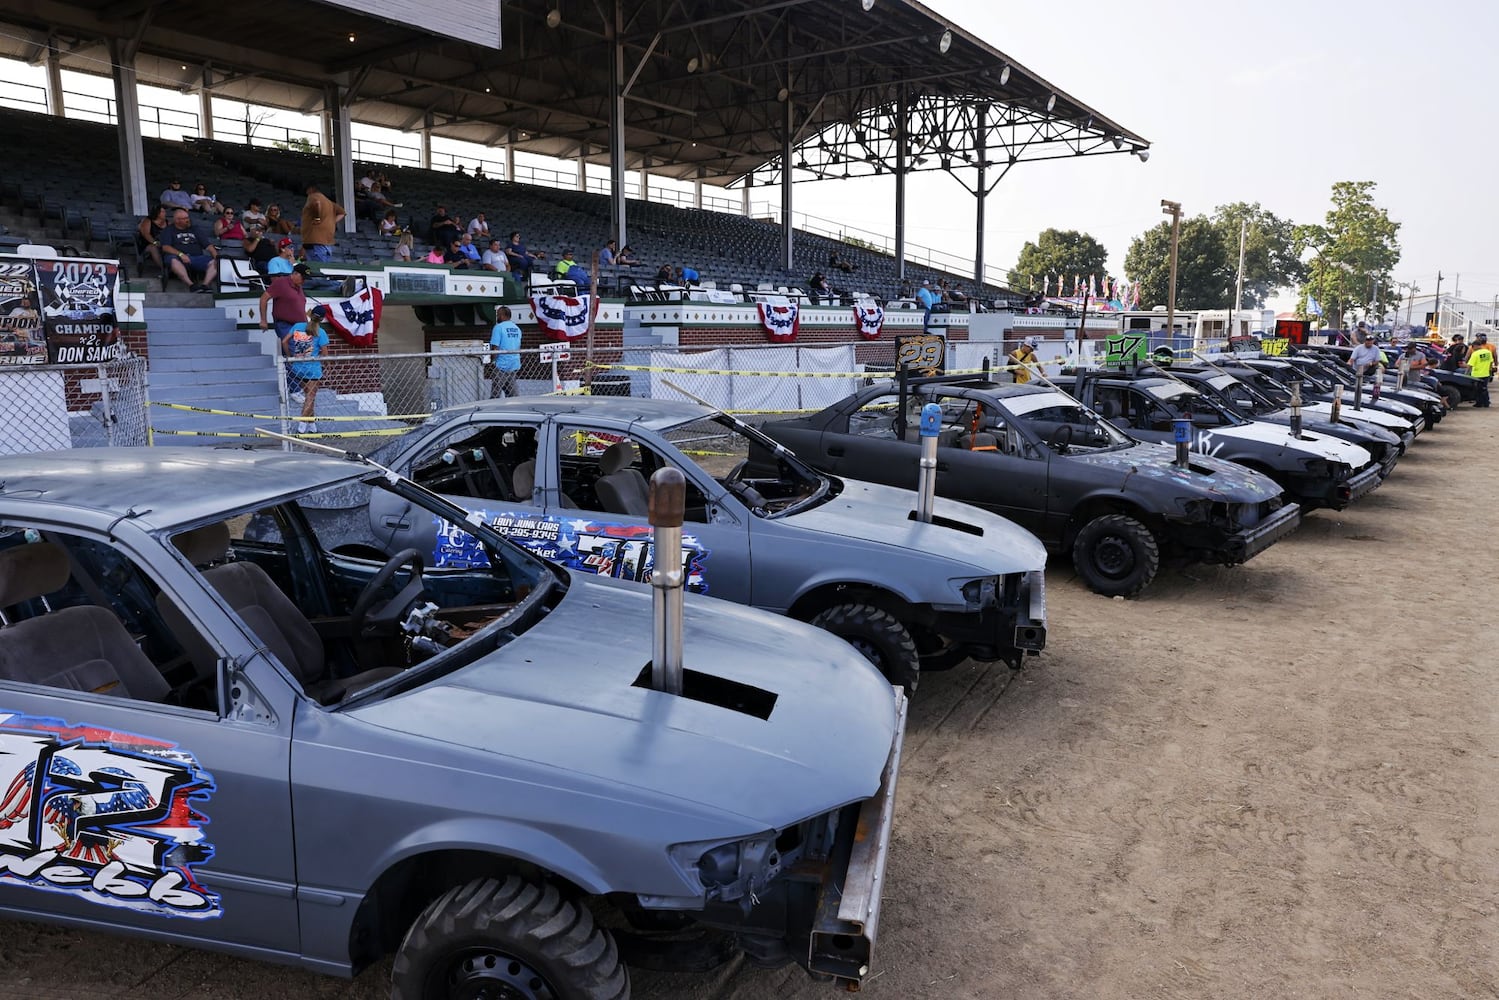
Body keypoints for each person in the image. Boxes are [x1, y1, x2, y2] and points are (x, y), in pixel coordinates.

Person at [282, 307, 330, 432]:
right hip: (313, 369)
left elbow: (284, 341)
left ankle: (312, 427)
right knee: (310, 397)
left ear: (309, 314)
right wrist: (326, 364)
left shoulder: (298, 326)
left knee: (310, 396)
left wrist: (290, 356)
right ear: (322, 319)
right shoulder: (321, 332)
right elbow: (325, 354)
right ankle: (301, 428)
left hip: (298, 367)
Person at [162, 209, 218, 293]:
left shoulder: (195, 229)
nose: (188, 220)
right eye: (185, 218)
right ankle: (192, 285)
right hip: (178, 258)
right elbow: (165, 247)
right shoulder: (169, 230)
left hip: (197, 258)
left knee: (216, 262)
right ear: (177, 220)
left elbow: (208, 246)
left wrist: (216, 257)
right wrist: (180, 254)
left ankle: (205, 285)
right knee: (173, 260)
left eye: (188, 217)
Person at [258, 262, 310, 340]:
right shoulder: (281, 283)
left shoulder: (298, 286)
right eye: (303, 278)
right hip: (285, 324)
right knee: (292, 348)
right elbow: (263, 298)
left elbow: (300, 308)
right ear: (295, 273)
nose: (304, 281)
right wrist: (263, 320)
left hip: (300, 326)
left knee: (302, 350)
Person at [300, 183, 345, 263]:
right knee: (324, 270)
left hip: (315, 241)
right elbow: (342, 213)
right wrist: (332, 221)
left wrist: (317, 217)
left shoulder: (313, 196)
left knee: (317, 271)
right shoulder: (329, 202)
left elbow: (316, 203)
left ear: (311, 189)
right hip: (326, 242)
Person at [489, 305, 523, 398]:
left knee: (495, 394)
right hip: (514, 363)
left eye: (498, 315)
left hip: (501, 364)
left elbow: (495, 347)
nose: (497, 317)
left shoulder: (498, 327)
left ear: (502, 315)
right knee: (512, 393)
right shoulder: (517, 328)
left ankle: (493, 410)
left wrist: (492, 361)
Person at [135, 205, 168, 274]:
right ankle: (164, 269)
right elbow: (146, 234)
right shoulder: (148, 221)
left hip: (163, 243)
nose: (165, 213)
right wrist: (155, 242)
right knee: (153, 248)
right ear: (157, 213)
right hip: (148, 244)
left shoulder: (167, 222)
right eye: (163, 212)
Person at [1467, 333, 1494, 407]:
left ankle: (1479, 403)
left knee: (1477, 390)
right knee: (1484, 388)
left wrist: (1466, 374)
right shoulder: (1488, 352)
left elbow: (1470, 365)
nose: (1473, 349)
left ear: (1475, 346)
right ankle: (1486, 402)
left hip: (1476, 375)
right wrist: (1490, 370)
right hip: (1486, 373)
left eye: (1473, 347)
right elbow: (1491, 362)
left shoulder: (1475, 354)